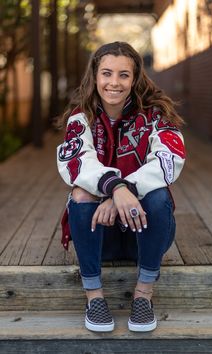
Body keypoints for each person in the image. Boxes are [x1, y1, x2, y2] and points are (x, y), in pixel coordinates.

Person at [57, 41, 185, 333]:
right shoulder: (81, 118)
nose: (114, 82)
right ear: (95, 76)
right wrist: (116, 188)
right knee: (80, 193)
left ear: (135, 78)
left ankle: (143, 296)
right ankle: (94, 298)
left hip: (146, 232)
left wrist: (125, 190)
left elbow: (168, 159)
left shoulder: (156, 115)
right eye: (107, 73)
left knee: (158, 195)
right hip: (99, 237)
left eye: (124, 75)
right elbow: (78, 164)